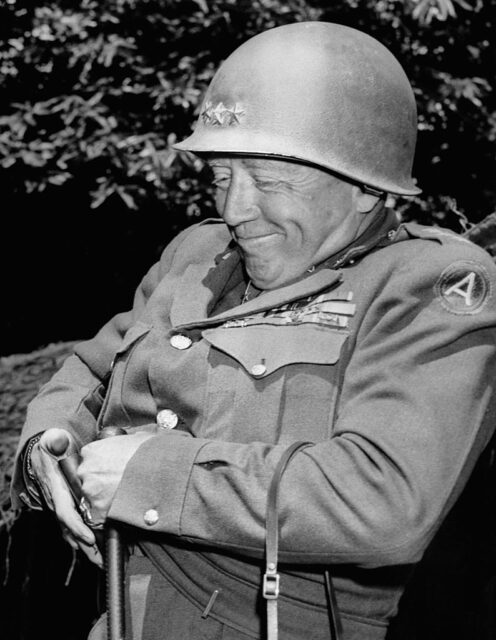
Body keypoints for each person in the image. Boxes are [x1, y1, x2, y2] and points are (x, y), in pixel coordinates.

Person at [11, 21, 496, 640]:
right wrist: (47, 446)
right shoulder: (196, 254)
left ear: (365, 191)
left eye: (268, 181)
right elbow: (90, 372)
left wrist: (154, 476)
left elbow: (384, 501)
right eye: (220, 176)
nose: (235, 208)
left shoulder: (428, 288)